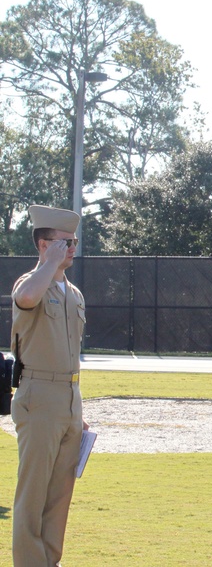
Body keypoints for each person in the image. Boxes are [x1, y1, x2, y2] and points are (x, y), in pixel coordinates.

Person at [10, 205, 88, 567]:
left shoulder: (73, 292)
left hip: (69, 399)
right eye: (64, 242)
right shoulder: (31, 282)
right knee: (33, 494)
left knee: (59, 496)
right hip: (38, 397)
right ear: (43, 244)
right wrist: (47, 265)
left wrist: (76, 409)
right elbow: (25, 299)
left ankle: (49, 562)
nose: (71, 248)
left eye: (73, 242)